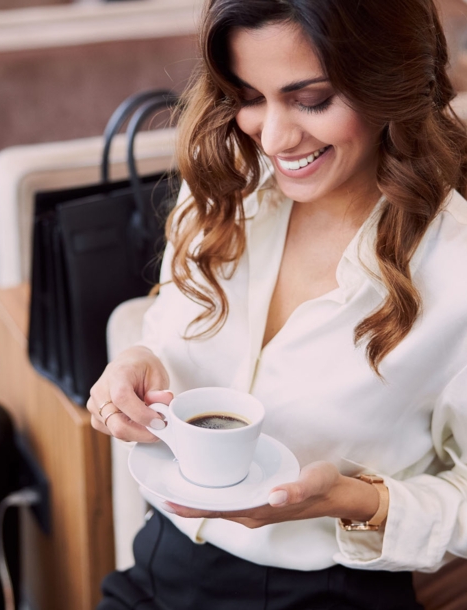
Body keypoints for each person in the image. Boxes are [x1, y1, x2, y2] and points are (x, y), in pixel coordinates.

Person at [87, 0, 467, 608]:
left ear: (389, 82)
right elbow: (168, 323)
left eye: (312, 99)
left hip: (326, 593)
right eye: (249, 96)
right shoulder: (223, 189)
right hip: (159, 566)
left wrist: (357, 500)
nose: (274, 136)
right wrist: (140, 361)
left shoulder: (455, 269)